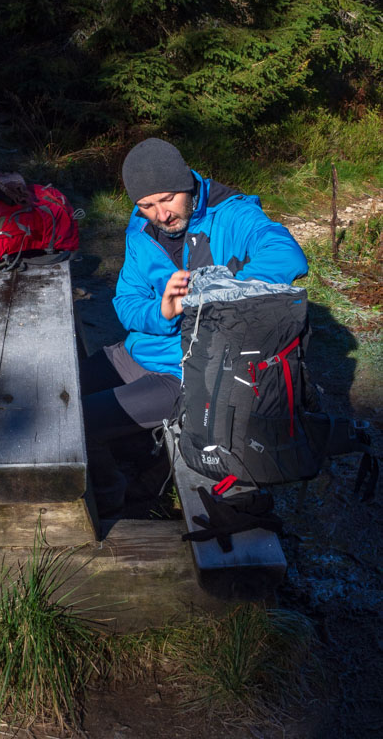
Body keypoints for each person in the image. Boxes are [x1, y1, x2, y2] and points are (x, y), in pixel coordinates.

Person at [81, 137, 308, 511]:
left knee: (79, 423)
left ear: (187, 182)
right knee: (60, 394)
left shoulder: (231, 214)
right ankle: (143, 454)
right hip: (138, 350)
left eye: (168, 198)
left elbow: (287, 254)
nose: (161, 214)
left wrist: (209, 293)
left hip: (190, 373)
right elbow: (126, 302)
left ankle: (109, 498)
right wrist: (163, 312)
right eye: (146, 205)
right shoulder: (140, 229)